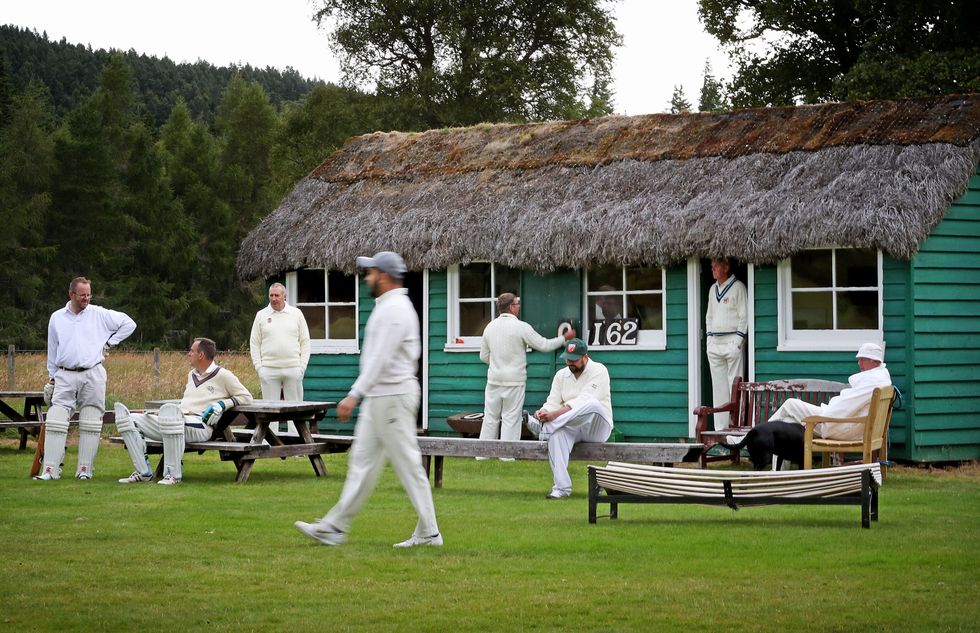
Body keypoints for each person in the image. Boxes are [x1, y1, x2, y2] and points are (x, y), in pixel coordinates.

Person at [294, 251, 441, 548]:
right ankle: (335, 527)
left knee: (408, 466)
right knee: (361, 464)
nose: (366, 277)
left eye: (370, 272)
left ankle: (429, 533)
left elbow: (380, 360)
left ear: (383, 276)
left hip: (393, 397)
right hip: (381, 398)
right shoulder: (388, 306)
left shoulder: (395, 310)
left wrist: (354, 395)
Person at [35, 277, 136, 481]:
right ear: (71, 294)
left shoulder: (99, 314)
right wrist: (52, 378)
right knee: (56, 419)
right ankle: (50, 470)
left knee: (90, 420)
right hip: (64, 374)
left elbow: (129, 323)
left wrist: (109, 343)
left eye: (89, 294)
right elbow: (52, 349)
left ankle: (84, 470)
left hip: (93, 372)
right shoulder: (57, 317)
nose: (86, 298)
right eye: (82, 295)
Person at [113, 337, 252, 485]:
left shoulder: (223, 375)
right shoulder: (191, 374)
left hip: (201, 426)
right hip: (179, 421)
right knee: (128, 419)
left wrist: (223, 404)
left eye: (191, 351)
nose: (188, 353)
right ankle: (143, 472)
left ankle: (173, 475)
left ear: (201, 355)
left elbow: (246, 396)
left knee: (172, 418)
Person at [478, 293, 574, 455]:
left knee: (490, 418)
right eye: (517, 303)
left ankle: (482, 455)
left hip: (494, 380)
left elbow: (483, 356)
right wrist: (563, 338)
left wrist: (498, 364)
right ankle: (507, 456)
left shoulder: (489, 327)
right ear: (511, 307)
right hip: (514, 381)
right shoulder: (521, 327)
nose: (519, 306)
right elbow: (543, 345)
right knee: (511, 418)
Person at [525, 338, 613, 499]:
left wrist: (552, 417)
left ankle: (544, 428)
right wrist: (544, 412)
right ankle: (561, 488)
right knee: (556, 436)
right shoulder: (561, 375)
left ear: (585, 357)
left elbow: (584, 400)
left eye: (574, 360)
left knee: (592, 403)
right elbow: (552, 401)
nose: (570, 363)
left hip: (597, 427)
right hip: (573, 425)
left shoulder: (599, 370)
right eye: (567, 359)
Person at [765, 343, 892, 441]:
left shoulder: (871, 382)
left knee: (790, 404)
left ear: (874, 361)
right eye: (859, 359)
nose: (859, 363)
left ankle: (759, 434)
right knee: (788, 422)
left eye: (862, 359)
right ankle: (778, 470)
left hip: (843, 427)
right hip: (854, 426)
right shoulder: (881, 379)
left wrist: (820, 418)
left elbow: (846, 406)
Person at [249, 282, 311, 433]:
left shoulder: (296, 314)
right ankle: (270, 444)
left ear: (285, 296)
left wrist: (302, 367)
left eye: (277, 295)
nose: (274, 298)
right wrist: (259, 368)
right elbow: (254, 344)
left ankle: (296, 443)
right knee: (270, 409)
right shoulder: (261, 315)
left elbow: (305, 342)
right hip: (269, 369)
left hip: (293, 368)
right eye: (271, 295)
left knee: (295, 409)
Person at [705, 257, 747, 430]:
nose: (712, 269)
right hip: (715, 344)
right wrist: (709, 340)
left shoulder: (738, 287)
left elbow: (744, 316)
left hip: (732, 342)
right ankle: (720, 430)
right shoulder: (712, 289)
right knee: (719, 388)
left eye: (716, 266)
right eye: (712, 266)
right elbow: (709, 317)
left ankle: (735, 427)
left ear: (726, 267)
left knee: (735, 387)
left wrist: (737, 342)